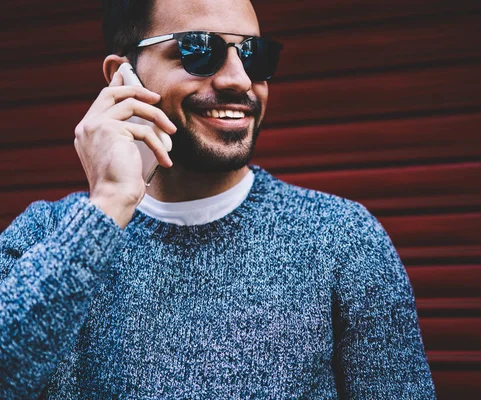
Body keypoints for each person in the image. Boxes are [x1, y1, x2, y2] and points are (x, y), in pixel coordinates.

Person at [0, 0, 436, 398]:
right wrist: (109, 203)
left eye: (253, 54)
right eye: (198, 50)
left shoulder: (342, 239)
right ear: (122, 76)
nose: (238, 80)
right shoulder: (49, 235)